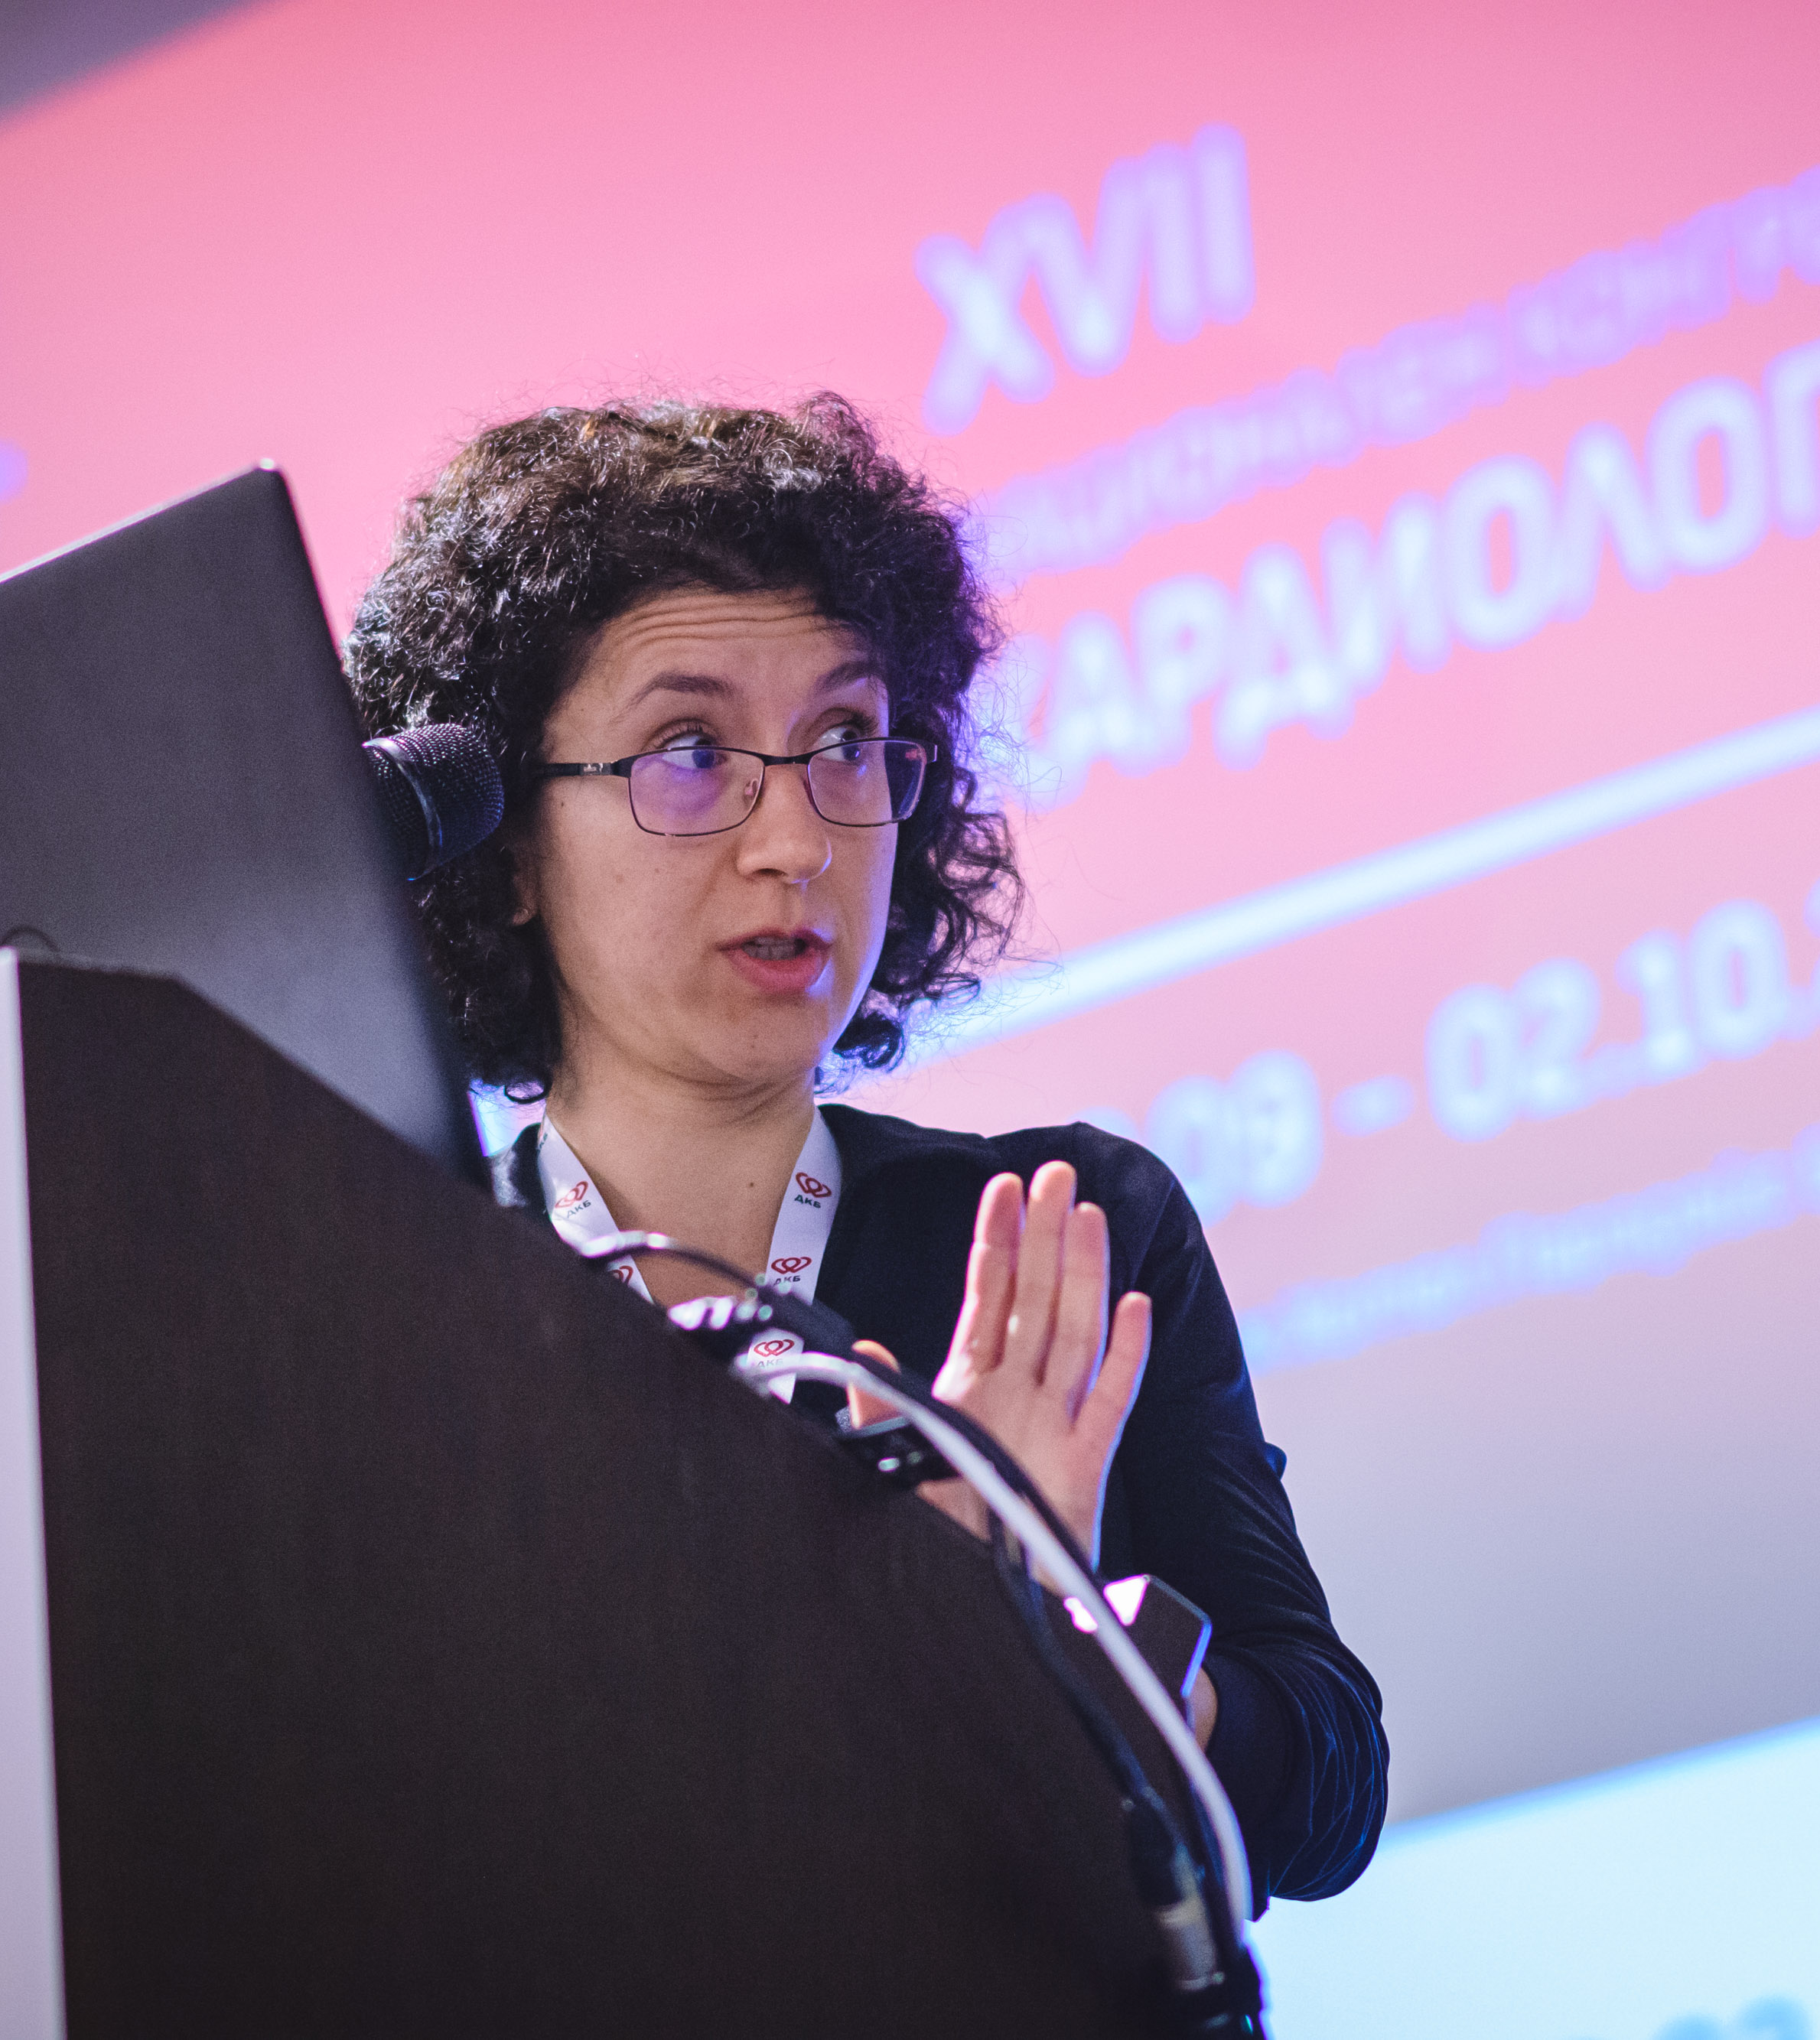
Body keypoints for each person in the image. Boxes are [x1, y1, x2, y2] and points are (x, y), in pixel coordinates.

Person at [344, 395, 1385, 1908]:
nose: (796, 842)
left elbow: (1327, 1794)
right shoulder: (389, 1298)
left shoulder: (1056, 1228)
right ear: (509, 850)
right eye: (689, 750)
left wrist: (1050, 1624)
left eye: (844, 741)